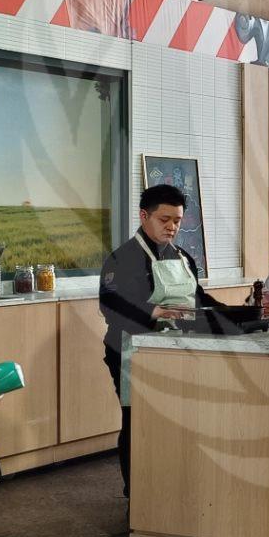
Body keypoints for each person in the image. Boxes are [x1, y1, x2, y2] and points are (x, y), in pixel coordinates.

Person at [99, 183, 218, 498]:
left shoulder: (183, 257)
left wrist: (232, 315)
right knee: (138, 422)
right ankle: (137, 497)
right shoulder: (122, 259)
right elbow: (110, 305)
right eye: (164, 219)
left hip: (178, 349)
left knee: (179, 421)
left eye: (177, 221)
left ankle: (172, 493)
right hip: (132, 351)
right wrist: (155, 311)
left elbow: (199, 299)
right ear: (144, 216)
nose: (172, 227)